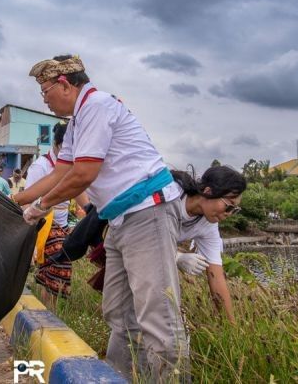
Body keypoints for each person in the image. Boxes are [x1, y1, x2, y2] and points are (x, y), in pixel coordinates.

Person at [13, 55, 188, 381]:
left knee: (158, 318)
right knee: (119, 313)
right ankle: (122, 376)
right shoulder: (78, 121)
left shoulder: (97, 106)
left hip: (148, 211)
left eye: (45, 91)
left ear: (65, 84)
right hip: (122, 218)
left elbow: (82, 175)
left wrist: (41, 206)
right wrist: (17, 200)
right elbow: (60, 172)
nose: (45, 100)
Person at [171, 166, 246, 324]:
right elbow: (141, 233)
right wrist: (176, 257)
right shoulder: (172, 194)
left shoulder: (209, 225)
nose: (229, 214)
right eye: (229, 206)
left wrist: (230, 327)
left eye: (235, 210)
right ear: (209, 191)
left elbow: (216, 276)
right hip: (121, 236)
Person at [24, 121, 86, 305]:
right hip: (45, 224)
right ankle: (48, 308)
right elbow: (28, 201)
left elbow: (80, 192)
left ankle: (51, 309)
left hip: (63, 224)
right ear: (57, 145)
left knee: (54, 269)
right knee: (60, 262)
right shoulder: (41, 166)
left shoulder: (72, 167)